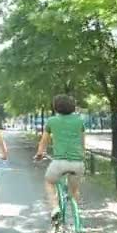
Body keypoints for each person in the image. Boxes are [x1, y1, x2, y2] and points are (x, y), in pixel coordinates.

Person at [35, 94, 85, 225]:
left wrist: (40, 154)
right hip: (78, 163)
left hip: (59, 163)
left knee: (49, 182)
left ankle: (55, 208)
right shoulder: (80, 121)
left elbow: (44, 142)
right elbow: (82, 142)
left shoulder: (52, 121)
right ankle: (75, 218)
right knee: (74, 191)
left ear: (56, 108)